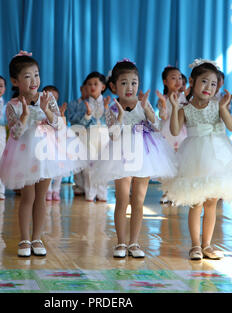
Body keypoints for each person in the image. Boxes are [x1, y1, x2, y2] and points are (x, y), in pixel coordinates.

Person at [0, 51, 85, 257]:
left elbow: (58, 125)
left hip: (47, 153)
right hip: (25, 153)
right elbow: (15, 134)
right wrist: (25, 117)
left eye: (36, 75)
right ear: (15, 80)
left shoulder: (47, 98)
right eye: (27, 76)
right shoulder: (13, 105)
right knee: (27, 197)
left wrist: (46, 111)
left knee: (41, 197)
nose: (34, 80)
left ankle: (37, 237)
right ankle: (24, 239)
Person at [166, 59, 232, 260]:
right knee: (196, 202)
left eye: (213, 84)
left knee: (212, 203)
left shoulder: (217, 106)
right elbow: (174, 130)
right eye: (204, 81)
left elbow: (231, 127)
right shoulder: (185, 109)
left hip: (218, 156)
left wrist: (223, 108)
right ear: (192, 81)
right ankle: (195, 245)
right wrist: (173, 107)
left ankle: (207, 244)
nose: (209, 87)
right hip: (195, 156)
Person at [92, 59, 177, 258]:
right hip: (121, 154)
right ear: (113, 86)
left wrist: (147, 108)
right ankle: (121, 242)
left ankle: (134, 243)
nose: (129, 87)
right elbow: (113, 134)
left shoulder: (142, 104)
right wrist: (120, 116)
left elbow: (155, 126)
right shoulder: (112, 108)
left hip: (145, 152)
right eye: (124, 83)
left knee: (138, 200)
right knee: (122, 199)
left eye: (134, 82)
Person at [156, 66, 188, 204]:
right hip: (167, 133)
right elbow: (163, 117)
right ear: (165, 81)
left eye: (179, 78)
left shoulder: (184, 98)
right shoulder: (162, 98)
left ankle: (176, 193)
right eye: (173, 78)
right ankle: (166, 192)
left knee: (180, 164)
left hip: (182, 132)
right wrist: (163, 104)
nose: (177, 81)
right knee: (167, 163)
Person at [77, 72, 110, 202]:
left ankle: (102, 193)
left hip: (104, 136)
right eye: (89, 84)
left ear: (103, 86)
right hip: (89, 135)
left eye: (96, 84)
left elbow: (112, 122)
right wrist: (88, 115)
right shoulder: (82, 104)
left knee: (104, 164)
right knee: (89, 165)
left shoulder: (109, 102)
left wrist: (107, 109)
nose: (92, 86)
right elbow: (79, 124)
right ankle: (90, 193)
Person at [65, 82, 89, 196]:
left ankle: (88, 186)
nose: (88, 91)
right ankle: (79, 186)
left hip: (88, 134)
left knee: (88, 161)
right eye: (85, 88)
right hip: (75, 133)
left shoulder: (91, 104)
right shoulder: (73, 103)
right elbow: (71, 117)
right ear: (81, 88)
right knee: (77, 160)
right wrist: (83, 116)